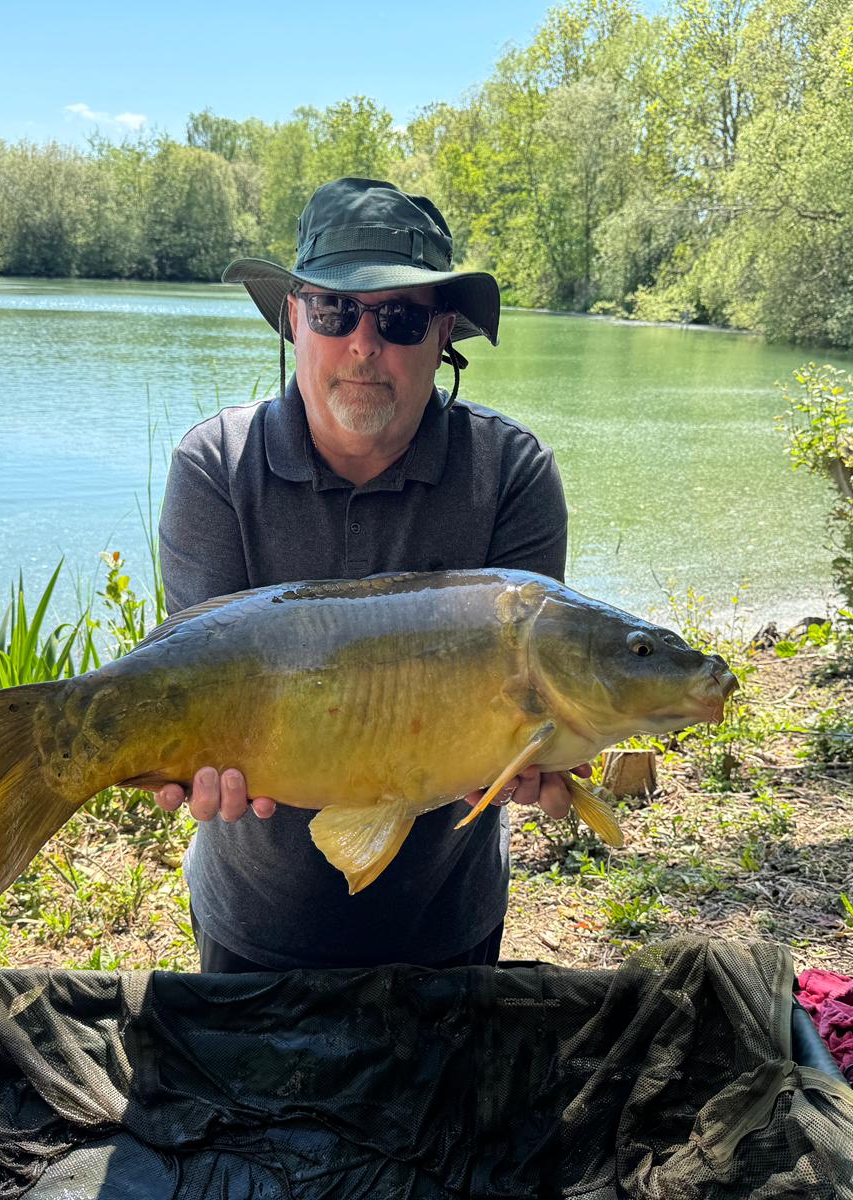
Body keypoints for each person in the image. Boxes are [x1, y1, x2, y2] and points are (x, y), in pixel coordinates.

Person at [153, 176, 578, 972]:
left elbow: (525, 711)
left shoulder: (513, 472)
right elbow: (201, 677)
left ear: (443, 330)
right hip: (252, 915)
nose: (363, 344)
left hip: (448, 921)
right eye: (335, 311)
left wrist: (538, 758)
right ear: (294, 318)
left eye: (402, 318)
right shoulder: (214, 464)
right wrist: (186, 758)